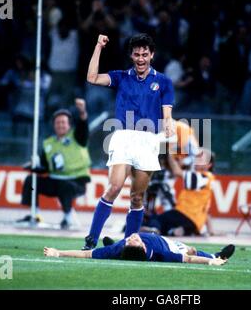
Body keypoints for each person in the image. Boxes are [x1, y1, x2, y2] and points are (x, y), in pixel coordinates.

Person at [83, 33, 175, 249]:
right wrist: (98, 46)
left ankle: (129, 244)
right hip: (123, 137)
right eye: (137, 54)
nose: (141, 58)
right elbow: (92, 78)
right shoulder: (121, 76)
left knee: (137, 197)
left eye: (145, 54)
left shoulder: (163, 82)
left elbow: (167, 112)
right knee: (113, 188)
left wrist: (169, 123)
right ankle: (91, 240)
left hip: (149, 140)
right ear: (131, 56)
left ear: (152, 55)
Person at [17, 98, 91, 229]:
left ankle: (67, 218)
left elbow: (83, 126)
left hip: (76, 181)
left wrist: (82, 112)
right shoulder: (48, 143)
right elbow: (45, 167)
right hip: (55, 180)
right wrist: (32, 168)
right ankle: (35, 214)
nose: (60, 125)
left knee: (66, 187)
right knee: (31, 180)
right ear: (53, 125)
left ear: (69, 125)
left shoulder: (77, 137)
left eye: (63, 122)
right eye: (57, 122)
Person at [142, 148, 216, 237]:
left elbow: (177, 172)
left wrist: (169, 154)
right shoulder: (209, 180)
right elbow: (206, 209)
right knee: (169, 224)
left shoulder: (203, 177)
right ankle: (178, 230)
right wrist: (211, 230)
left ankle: (154, 229)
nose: (196, 160)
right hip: (195, 222)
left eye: (200, 159)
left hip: (185, 214)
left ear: (209, 165)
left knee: (156, 219)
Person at [44, 232, 235, 266]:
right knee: (191, 250)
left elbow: (85, 254)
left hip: (117, 250)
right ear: (143, 246)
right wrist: (210, 261)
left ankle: (108, 245)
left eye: (130, 240)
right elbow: (190, 260)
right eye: (134, 239)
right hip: (164, 242)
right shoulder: (161, 253)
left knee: (110, 252)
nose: (132, 236)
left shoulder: (121, 247)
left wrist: (58, 252)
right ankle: (217, 254)